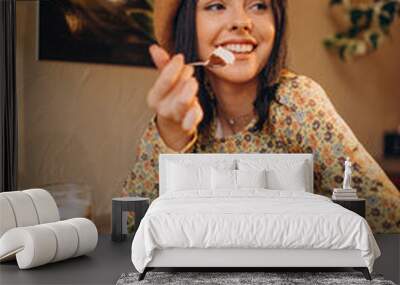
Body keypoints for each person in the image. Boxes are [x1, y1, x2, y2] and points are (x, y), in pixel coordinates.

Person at [122, 0, 399, 233]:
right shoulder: (176, 111)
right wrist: (170, 137)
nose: (241, 22)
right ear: (188, 24)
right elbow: (131, 228)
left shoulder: (299, 101)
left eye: (258, 5)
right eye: (217, 5)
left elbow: (388, 215)